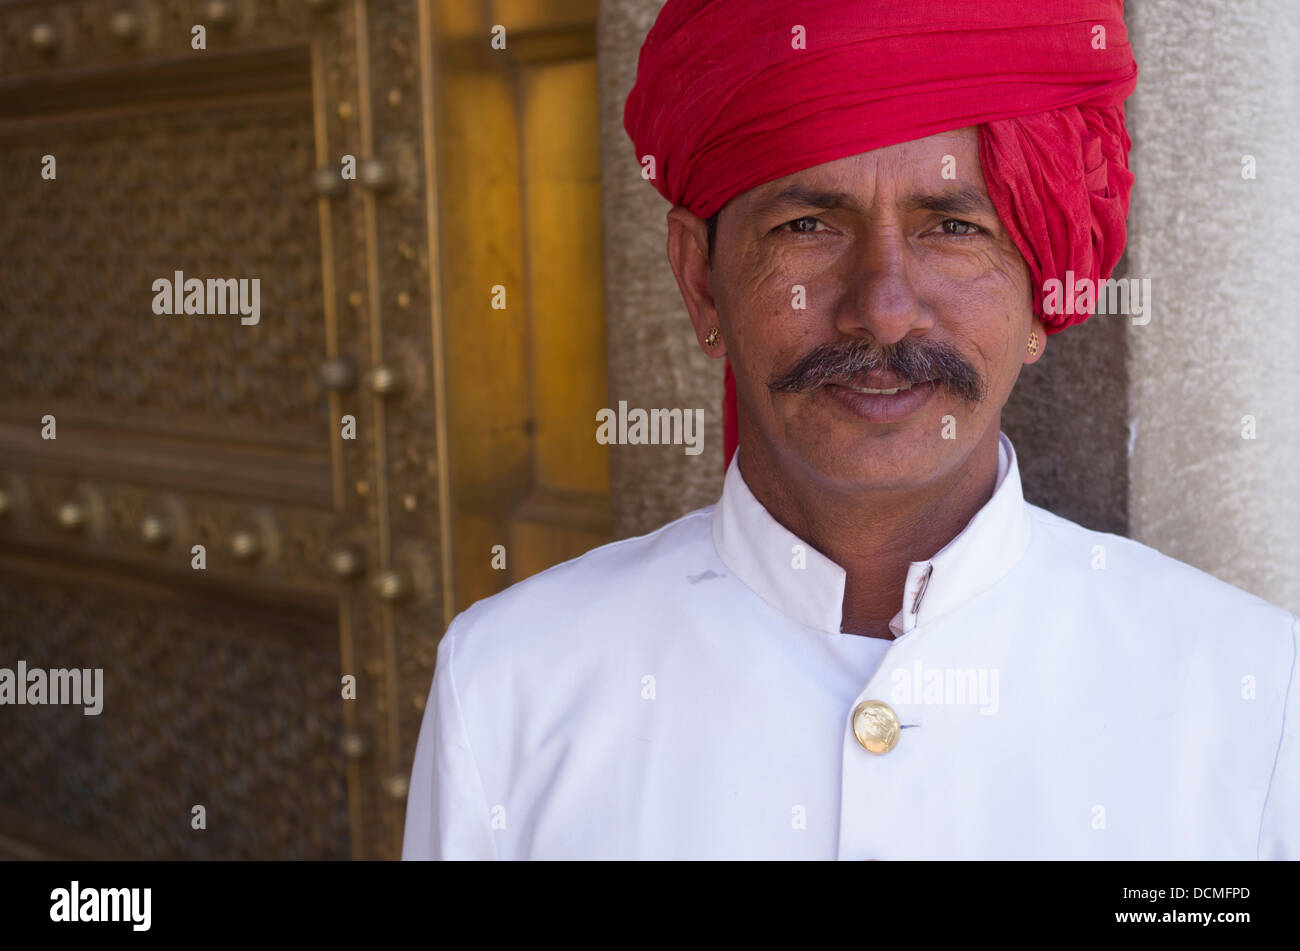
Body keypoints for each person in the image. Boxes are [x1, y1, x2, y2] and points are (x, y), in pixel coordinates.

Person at [402, 0, 1298, 859]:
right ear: (701, 282)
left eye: (952, 226)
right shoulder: (512, 688)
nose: (884, 310)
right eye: (807, 226)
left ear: (1044, 293)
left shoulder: (1247, 696)